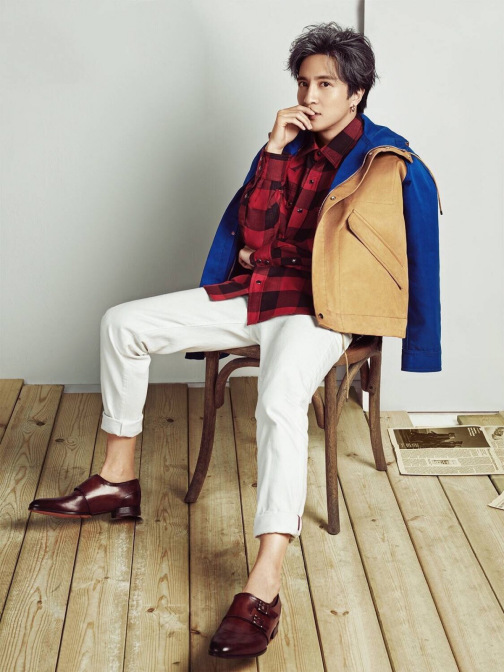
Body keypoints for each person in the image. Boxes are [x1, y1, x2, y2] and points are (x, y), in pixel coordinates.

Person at [28, 22, 442, 659]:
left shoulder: (388, 159)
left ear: (357, 92)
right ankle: (117, 479)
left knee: (277, 402)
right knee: (122, 323)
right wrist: (273, 151)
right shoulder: (286, 147)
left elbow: (415, 252)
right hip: (258, 294)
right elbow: (252, 231)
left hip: (322, 310)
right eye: (303, 83)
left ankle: (265, 582)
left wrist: (418, 341)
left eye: (325, 84)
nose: (309, 96)